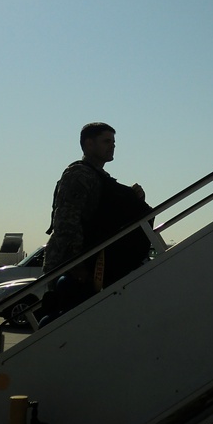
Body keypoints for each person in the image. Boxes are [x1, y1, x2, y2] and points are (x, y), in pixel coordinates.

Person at [42, 122, 152, 316]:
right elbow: (67, 222)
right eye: (106, 141)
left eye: (114, 142)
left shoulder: (100, 177)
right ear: (89, 144)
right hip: (73, 266)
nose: (112, 146)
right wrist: (77, 265)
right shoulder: (78, 174)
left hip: (90, 264)